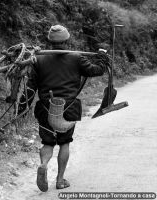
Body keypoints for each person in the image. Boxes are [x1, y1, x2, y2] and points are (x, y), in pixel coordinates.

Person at [19, 25, 109, 192]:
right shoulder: (77, 58)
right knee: (64, 143)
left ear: (49, 42)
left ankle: (44, 165)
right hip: (69, 108)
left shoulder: (38, 59)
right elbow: (96, 70)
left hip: (46, 107)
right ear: (67, 41)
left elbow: (30, 88)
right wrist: (102, 57)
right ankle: (60, 180)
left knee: (47, 142)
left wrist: (22, 108)